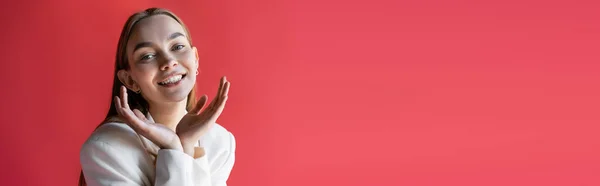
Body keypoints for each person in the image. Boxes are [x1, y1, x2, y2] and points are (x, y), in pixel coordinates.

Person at [78, 7, 235, 186]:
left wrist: (187, 145)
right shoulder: (106, 148)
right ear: (129, 80)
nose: (168, 62)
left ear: (195, 58)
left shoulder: (220, 142)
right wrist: (174, 149)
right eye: (148, 56)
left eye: (177, 46)